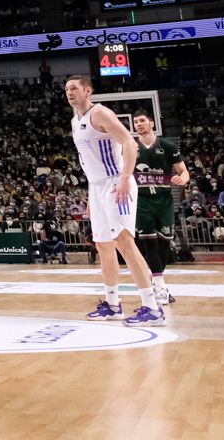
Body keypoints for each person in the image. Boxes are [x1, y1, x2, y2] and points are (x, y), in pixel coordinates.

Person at [64, 75, 163, 326]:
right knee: (103, 245)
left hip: (116, 182)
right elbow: (89, 162)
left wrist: (125, 177)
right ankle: (112, 303)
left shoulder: (101, 113)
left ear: (88, 91)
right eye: (67, 89)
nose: (69, 92)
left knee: (124, 242)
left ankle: (152, 307)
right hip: (97, 187)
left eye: (74, 88)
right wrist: (90, 194)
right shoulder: (75, 121)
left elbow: (129, 143)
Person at [132, 109, 191, 305]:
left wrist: (182, 179)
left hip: (164, 200)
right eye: (135, 122)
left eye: (142, 121)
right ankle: (160, 286)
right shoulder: (130, 147)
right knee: (149, 243)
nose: (138, 124)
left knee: (165, 242)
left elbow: (184, 171)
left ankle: (158, 282)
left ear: (152, 124)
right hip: (142, 200)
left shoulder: (167, 145)